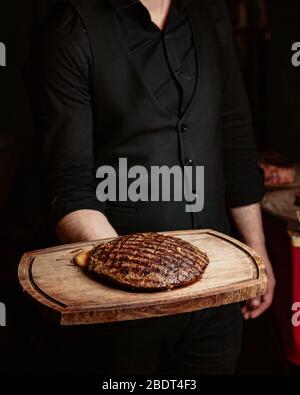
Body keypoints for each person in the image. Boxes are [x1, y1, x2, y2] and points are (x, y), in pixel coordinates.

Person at [32, 0, 276, 375]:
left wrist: (257, 254)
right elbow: (69, 184)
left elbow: (235, 134)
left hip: (216, 297)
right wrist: (129, 276)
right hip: (117, 310)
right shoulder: (69, 31)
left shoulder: (210, 13)